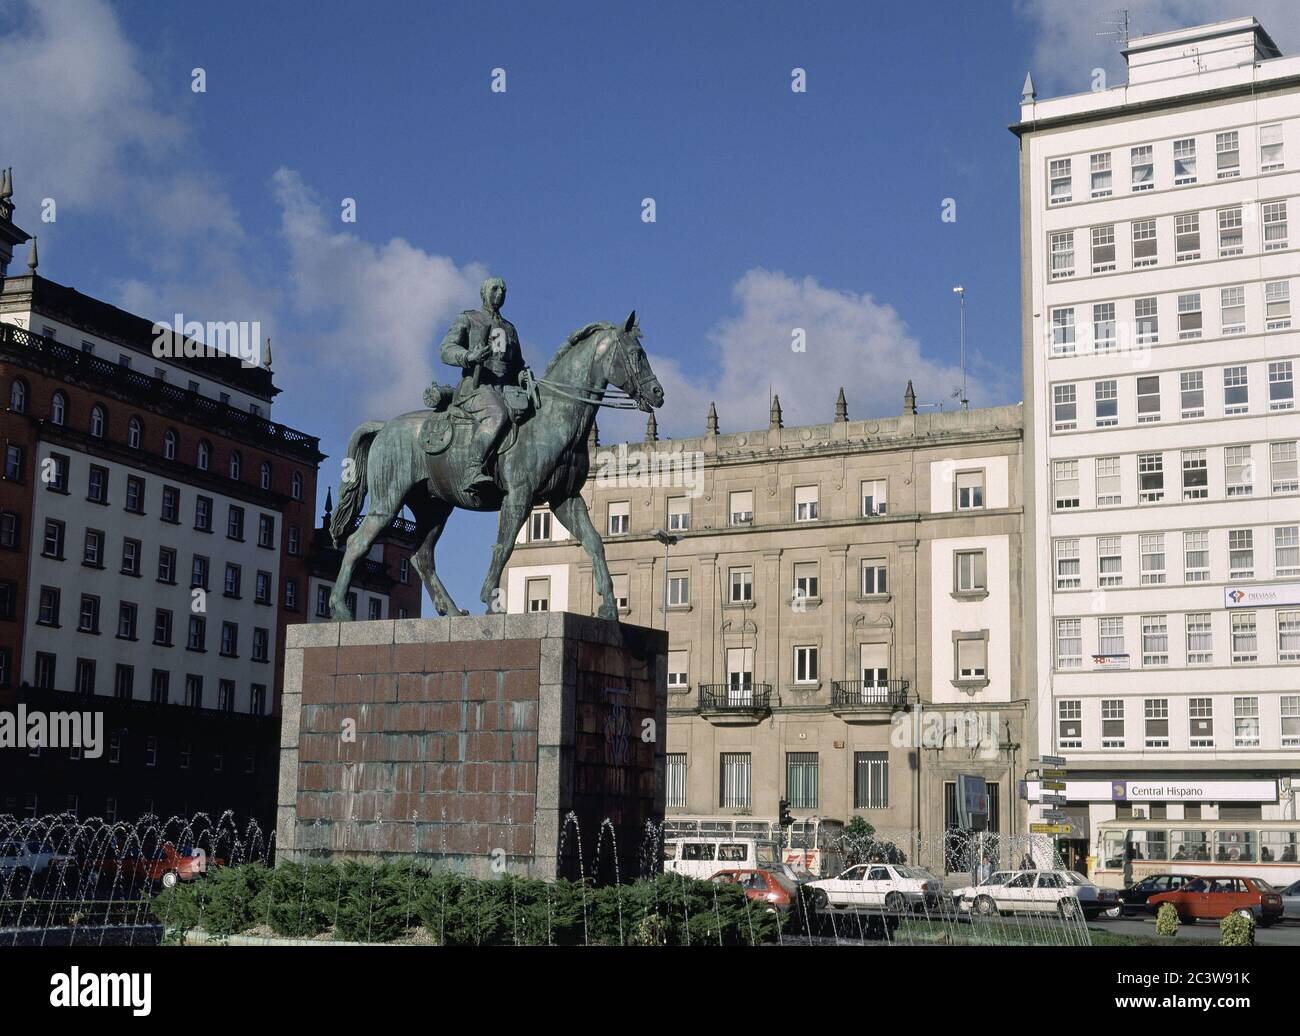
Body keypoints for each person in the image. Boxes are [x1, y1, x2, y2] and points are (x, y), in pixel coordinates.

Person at [438, 277, 532, 498]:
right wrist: (469, 356)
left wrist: (523, 375)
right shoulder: (469, 318)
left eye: (503, 290)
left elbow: (517, 364)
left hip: (506, 390)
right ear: (483, 293)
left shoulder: (509, 328)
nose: (499, 293)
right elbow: (445, 349)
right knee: (497, 414)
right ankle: (472, 469)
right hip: (476, 388)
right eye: (494, 289)